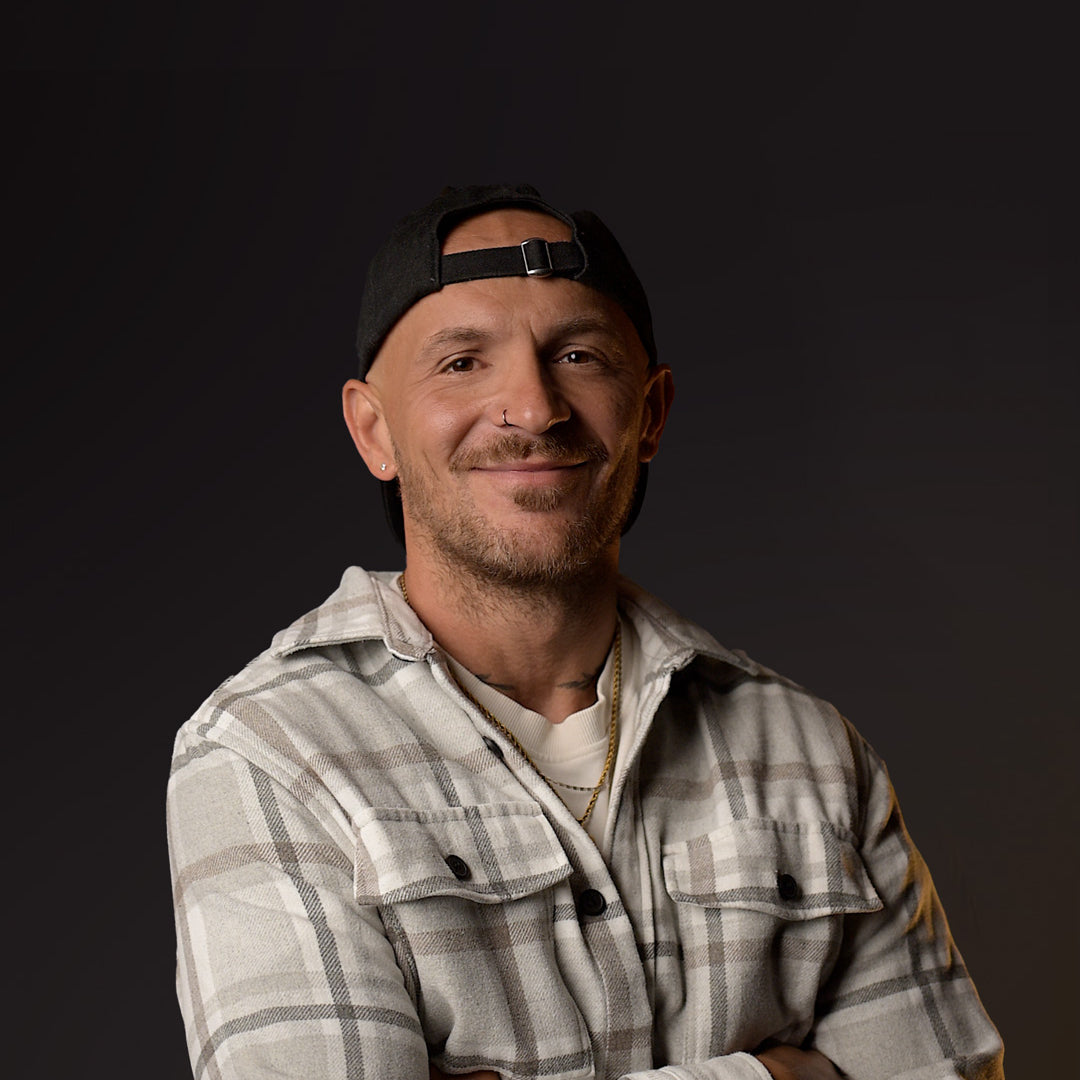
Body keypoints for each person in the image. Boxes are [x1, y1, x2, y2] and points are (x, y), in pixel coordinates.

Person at [167, 184, 1004, 1080]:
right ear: (374, 431)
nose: (533, 409)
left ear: (652, 414)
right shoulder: (272, 753)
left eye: (576, 354)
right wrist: (781, 1076)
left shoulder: (810, 752)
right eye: (461, 363)